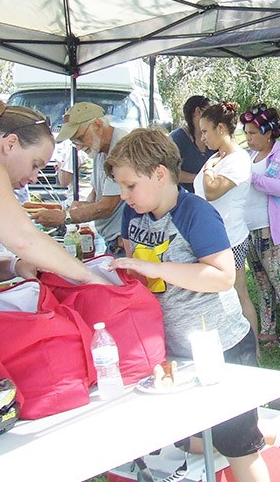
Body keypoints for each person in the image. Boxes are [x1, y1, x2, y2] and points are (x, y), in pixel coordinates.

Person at [103, 128, 270, 482]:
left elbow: (223, 276)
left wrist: (153, 267)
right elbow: (140, 275)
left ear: (160, 173)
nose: (123, 194)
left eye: (130, 185)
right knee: (190, 437)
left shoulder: (195, 211)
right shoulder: (133, 215)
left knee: (238, 445)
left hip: (221, 346)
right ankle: (278, 432)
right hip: (173, 350)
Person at [0, 99, 110, 329]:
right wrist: (90, 277)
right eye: (35, 164)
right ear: (10, 144)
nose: (35, 177)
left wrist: (15, 266)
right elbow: (25, 239)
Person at [193, 102, 256, 346]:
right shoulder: (217, 158)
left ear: (221, 128)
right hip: (211, 238)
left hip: (231, 238)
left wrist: (208, 169)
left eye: (206, 131)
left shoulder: (237, 159)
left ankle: (254, 349)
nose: (203, 137)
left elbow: (212, 191)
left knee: (239, 294)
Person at [31, 102, 127, 256]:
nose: (79, 146)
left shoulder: (122, 148)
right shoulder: (100, 150)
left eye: (80, 138)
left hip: (126, 244)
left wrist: (65, 217)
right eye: (74, 141)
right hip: (115, 243)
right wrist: (78, 207)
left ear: (97, 125)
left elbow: (107, 206)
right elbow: (96, 196)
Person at [241, 104, 280, 347]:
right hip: (250, 227)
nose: (248, 138)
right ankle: (267, 327)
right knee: (261, 281)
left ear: (269, 133)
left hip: (272, 229)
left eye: (253, 133)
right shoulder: (249, 156)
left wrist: (252, 178)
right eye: (246, 133)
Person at [170, 95, 215, 192]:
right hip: (184, 198)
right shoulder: (178, 139)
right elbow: (170, 172)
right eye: (210, 112)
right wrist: (199, 179)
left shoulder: (214, 136)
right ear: (198, 112)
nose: (214, 117)